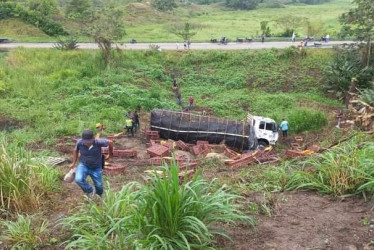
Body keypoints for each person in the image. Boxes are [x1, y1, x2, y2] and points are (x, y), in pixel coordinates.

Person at [69, 129, 113, 198]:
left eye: (89, 141)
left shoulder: (99, 142)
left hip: (96, 167)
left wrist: (110, 154)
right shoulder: (80, 142)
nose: (87, 143)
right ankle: (90, 191)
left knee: (99, 186)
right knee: (78, 179)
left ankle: (99, 196)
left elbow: (110, 142)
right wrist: (73, 163)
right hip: (83, 165)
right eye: (86, 141)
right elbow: (75, 150)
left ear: (93, 138)